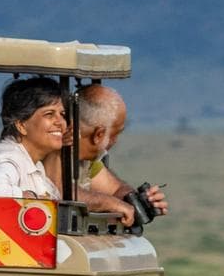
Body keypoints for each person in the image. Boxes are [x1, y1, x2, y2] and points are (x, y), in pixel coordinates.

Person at [69, 83, 168, 223]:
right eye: (114, 134)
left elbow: (115, 189)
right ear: (99, 134)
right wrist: (110, 203)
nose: (115, 141)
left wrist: (137, 200)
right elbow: (61, 191)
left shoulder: (87, 160)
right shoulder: (54, 154)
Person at [0, 76, 67, 199]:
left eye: (62, 115)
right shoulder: (9, 159)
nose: (60, 122)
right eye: (49, 114)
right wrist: (31, 197)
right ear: (21, 125)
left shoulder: (34, 165)